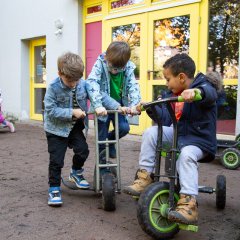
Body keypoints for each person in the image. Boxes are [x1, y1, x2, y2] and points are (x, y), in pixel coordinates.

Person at [124, 53, 218, 225]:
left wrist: (197, 92)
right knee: (151, 132)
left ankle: (188, 204)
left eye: (168, 79)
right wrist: (149, 108)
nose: (166, 84)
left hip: (199, 141)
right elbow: (165, 118)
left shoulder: (203, 85)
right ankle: (145, 176)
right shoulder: (170, 95)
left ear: (181, 77)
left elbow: (210, 94)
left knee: (186, 154)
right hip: (179, 135)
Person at [44, 52, 90, 206]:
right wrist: (71, 112)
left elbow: (98, 96)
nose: (73, 84)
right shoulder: (53, 88)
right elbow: (50, 110)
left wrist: (104, 106)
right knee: (56, 160)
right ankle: (54, 188)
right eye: (69, 80)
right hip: (56, 130)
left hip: (75, 127)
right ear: (60, 73)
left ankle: (76, 172)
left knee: (83, 150)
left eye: (76, 80)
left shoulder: (82, 84)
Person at [86, 41, 141, 165]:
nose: (115, 71)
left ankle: (110, 141)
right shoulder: (100, 63)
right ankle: (101, 165)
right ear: (106, 58)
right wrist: (98, 105)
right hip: (102, 107)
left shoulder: (128, 68)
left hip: (120, 105)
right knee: (101, 137)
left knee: (124, 128)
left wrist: (135, 105)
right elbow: (92, 84)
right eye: (112, 67)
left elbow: (133, 86)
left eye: (119, 69)